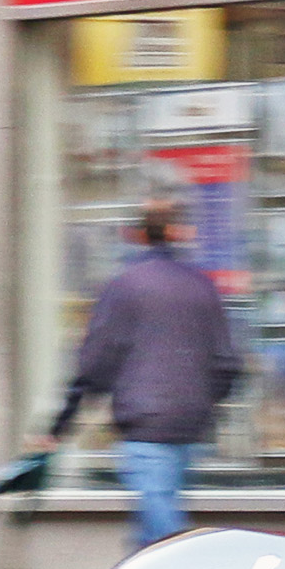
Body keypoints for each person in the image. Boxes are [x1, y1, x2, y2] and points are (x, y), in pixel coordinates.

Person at [40, 200, 242, 550]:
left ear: (135, 236)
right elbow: (227, 365)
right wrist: (201, 403)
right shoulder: (202, 287)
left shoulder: (125, 286)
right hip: (189, 425)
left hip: (146, 423)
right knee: (155, 520)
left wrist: (60, 424)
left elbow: (94, 364)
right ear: (180, 236)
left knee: (163, 534)